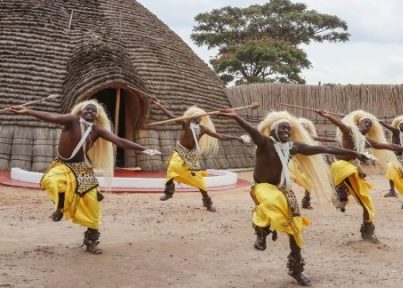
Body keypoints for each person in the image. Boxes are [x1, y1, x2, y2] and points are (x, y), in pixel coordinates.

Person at [217, 109, 368, 286]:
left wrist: (357, 154)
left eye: (289, 129)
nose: (286, 131)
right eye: (282, 128)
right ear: (273, 130)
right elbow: (252, 130)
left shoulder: (293, 147)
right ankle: (261, 231)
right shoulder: (265, 143)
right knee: (273, 202)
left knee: (296, 226)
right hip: (263, 187)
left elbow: (323, 148)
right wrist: (235, 117)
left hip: (284, 189)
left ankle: (296, 269)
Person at [10, 100, 160, 254]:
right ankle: (60, 208)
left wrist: (145, 149)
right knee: (53, 181)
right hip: (62, 165)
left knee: (93, 205)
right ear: (81, 110)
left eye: (93, 110)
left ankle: (91, 240)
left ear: (97, 115)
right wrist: (28, 111)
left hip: (82, 168)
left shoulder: (97, 130)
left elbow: (119, 141)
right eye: (87, 109)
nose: (90, 112)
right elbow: (52, 117)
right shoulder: (71, 120)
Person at [316, 109, 403, 243]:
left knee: (367, 203)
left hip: (353, 170)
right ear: (358, 124)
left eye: (370, 124)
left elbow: (388, 145)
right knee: (348, 170)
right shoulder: (349, 132)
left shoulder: (366, 141)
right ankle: (340, 190)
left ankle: (367, 230)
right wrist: (327, 115)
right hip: (341, 167)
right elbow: (340, 125)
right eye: (365, 122)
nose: (367, 125)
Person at [153, 102, 243, 211]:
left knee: (198, 180)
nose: (199, 120)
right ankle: (168, 193)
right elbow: (171, 117)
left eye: (200, 118)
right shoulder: (185, 124)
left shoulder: (202, 129)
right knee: (172, 168)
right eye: (197, 118)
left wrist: (237, 138)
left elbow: (219, 135)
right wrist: (159, 105)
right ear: (192, 118)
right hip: (180, 151)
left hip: (192, 156)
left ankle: (207, 202)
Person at [290, 117, 337, 210]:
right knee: (288, 180)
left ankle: (306, 200)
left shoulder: (309, 137)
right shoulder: (291, 138)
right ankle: (291, 201)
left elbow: (321, 138)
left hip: (306, 162)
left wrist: (334, 140)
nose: (303, 129)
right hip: (294, 162)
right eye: (301, 127)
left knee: (308, 181)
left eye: (304, 127)